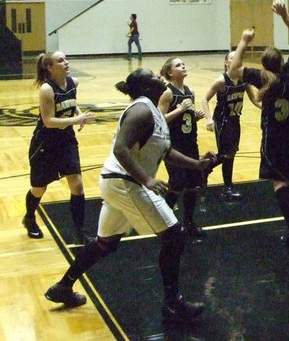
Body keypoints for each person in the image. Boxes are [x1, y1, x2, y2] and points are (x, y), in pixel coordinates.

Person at [44, 68, 214, 322]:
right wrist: (146, 179)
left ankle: (63, 286)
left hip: (118, 183)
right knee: (174, 236)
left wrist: (197, 164)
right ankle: (172, 304)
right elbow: (120, 148)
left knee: (106, 243)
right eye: (155, 78)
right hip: (126, 183)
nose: (161, 79)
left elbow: (165, 151)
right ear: (147, 88)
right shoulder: (141, 110)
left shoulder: (153, 111)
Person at [227, 0, 289, 247]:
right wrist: (285, 16)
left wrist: (243, 41)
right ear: (283, 61)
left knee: (280, 182)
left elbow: (234, 70)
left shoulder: (262, 77)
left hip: (276, 138)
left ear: (264, 65)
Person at [23, 52, 96, 243]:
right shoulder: (47, 89)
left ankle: (80, 231)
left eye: (66, 59)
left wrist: (77, 112)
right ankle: (29, 218)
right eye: (61, 60)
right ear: (50, 67)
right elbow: (48, 121)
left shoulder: (74, 83)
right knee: (39, 189)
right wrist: (77, 119)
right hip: (46, 143)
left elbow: (71, 101)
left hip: (66, 140)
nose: (66, 62)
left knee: (77, 185)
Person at [202, 51, 260, 201]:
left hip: (235, 119)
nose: (237, 60)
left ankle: (205, 167)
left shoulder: (244, 80)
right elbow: (204, 99)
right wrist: (208, 119)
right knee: (227, 153)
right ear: (227, 63)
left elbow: (254, 99)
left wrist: (266, 107)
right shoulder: (221, 81)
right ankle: (227, 187)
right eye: (232, 58)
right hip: (222, 119)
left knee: (229, 153)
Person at [159, 57, 207, 237]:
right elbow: (159, 119)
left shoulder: (190, 91)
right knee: (177, 183)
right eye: (178, 65)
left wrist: (195, 117)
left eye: (184, 64)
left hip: (190, 144)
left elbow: (185, 120)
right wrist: (179, 109)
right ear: (170, 72)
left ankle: (188, 222)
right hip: (173, 146)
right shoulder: (167, 93)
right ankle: (165, 222)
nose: (183, 66)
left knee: (192, 185)